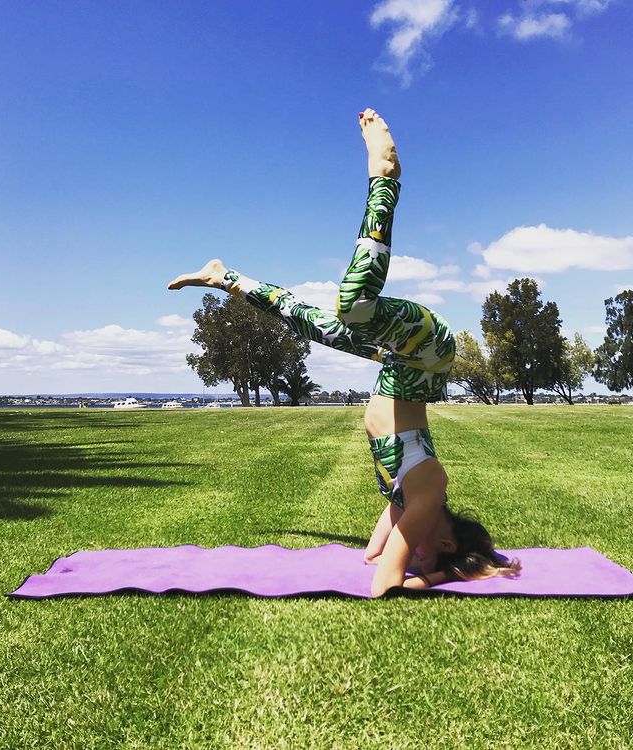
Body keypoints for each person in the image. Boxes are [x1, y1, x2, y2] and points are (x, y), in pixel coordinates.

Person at [169, 108, 520, 597]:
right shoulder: (428, 489)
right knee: (354, 305)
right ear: (441, 540)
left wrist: (447, 566)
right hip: (426, 353)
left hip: (403, 362)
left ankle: (224, 276)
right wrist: (440, 574)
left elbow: (374, 557)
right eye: (423, 551)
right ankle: (385, 178)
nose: (409, 548)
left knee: (317, 325)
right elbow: (387, 584)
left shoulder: (402, 502)